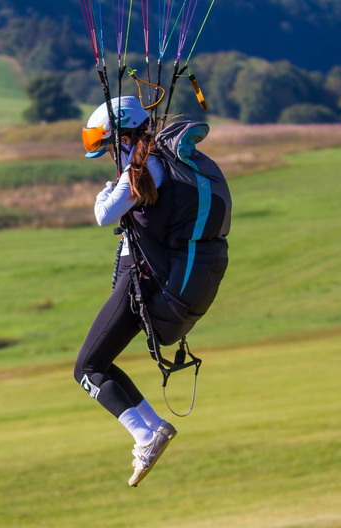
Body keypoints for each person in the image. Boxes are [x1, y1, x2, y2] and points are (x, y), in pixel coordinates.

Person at [74, 96, 231, 487]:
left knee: (86, 369)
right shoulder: (157, 163)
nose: (112, 153)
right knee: (102, 363)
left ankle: (145, 436)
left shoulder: (145, 169)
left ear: (123, 137)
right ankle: (154, 428)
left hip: (137, 277)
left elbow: (103, 215)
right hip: (145, 275)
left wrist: (105, 190)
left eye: (111, 146)